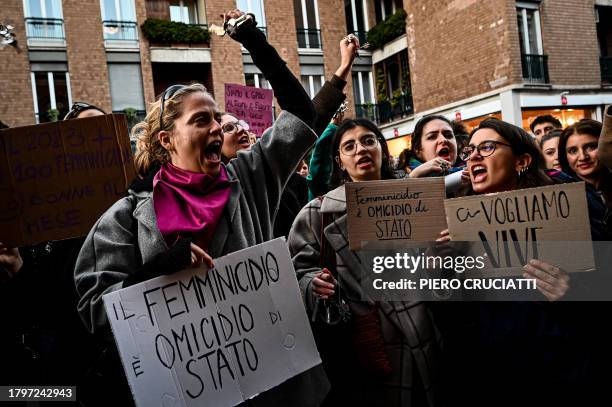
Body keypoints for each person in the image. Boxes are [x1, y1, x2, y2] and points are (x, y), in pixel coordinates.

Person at [74, 9, 327, 407]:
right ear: (167, 139)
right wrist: (156, 270)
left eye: (217, 118)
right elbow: (95, 309)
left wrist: (254, 41)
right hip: (189, 393)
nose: (216, 128)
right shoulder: (123, 218)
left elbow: (301, 113)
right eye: (201, 120)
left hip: (276, 384)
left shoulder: (250, 175)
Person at [436, 118, 605, 406]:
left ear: (522, 161)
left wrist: (574, 291)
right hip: (492, 379)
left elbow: (602, 289)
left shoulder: (564, 212)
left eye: (487, 147)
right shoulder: (455, 225)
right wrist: (441, 268)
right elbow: (453, 320)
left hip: (560, 374)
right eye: (470, 150)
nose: (474, 156)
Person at [288, 118, 440, 407]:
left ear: (382, 149)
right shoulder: (317, 214)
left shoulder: (419, 201)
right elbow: (296, 273)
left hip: (426, 338)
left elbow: (442, 272)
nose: (361, 149)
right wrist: (313, 285)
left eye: (369, 140)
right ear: (340, 161)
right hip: (364, 349)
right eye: (350, 146)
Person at [558, 118, 611, 238]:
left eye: (591, 147)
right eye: (573, 150)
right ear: (565, 156)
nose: (582, 157)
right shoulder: (559, 195)